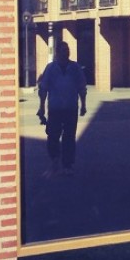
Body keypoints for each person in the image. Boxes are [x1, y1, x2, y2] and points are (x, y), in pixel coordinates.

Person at [37, 41, 87, 177]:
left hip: (71, 107)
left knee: (69, 137)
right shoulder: (51, 68)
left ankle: (67, 165)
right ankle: (54, 161)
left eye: (67, 49)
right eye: (63, 50)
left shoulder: (75, 68)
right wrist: (41, 107)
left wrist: (83, 105)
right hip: (55, 108)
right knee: (53, 136)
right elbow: (43, 88)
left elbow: (81, 87)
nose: (66, 52)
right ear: (57, 52)